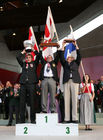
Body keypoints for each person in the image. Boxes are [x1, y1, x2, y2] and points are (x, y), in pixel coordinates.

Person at [16, 40, 40, 123]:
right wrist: (23, 52)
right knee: (22, 102)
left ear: (32, 58)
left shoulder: (35, 63)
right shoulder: (23, 64)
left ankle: (33, 120)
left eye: (29, 57)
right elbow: (18, 57)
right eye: (27, 57)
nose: (28, 58)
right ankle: (22, 120)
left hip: (32, 84)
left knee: (32, 101)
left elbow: (39, 55)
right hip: (23, 84)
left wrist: (33, 50)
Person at [59, 40, 81, 123]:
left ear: (73, 58)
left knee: (75, 100)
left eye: (70, 57)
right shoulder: (64, 64)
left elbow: (79, 56)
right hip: (66, 82)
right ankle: (67, 118)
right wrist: (63, 46)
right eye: (68, 57)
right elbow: (61, 57)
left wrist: (76, 46)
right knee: (66, 100)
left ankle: (74, 118)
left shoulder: (76, 63)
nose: (69, 58)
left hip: (75, 82)